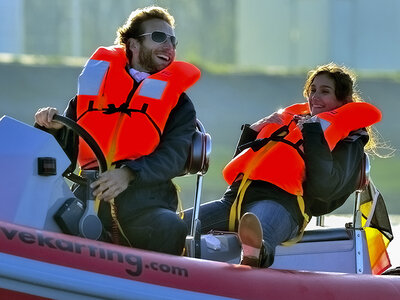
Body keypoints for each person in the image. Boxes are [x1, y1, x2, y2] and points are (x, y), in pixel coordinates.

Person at [35, 6, 201, 255]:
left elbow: (174, 157)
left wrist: (128, 174)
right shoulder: (93, 89)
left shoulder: (180, 104)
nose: (169, 46)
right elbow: (63, 155)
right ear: (133, 44)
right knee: (39, 215)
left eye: (173, 40)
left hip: (146, 203)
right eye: (159, 37)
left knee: (171, 227)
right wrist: (52, 128)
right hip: (86, 196)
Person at [183, 63, 382, 267]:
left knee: (257, 232)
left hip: (282, 205)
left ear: (343, 101)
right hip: (233, 200)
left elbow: (325, 190)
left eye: (325, 92)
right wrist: (253, 131)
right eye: (312, 90)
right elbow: (241, 169)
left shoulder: (348, 140)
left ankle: (254, 256)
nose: (315, 97)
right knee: (172, 226)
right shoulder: (291, 122)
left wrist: (313, 134)